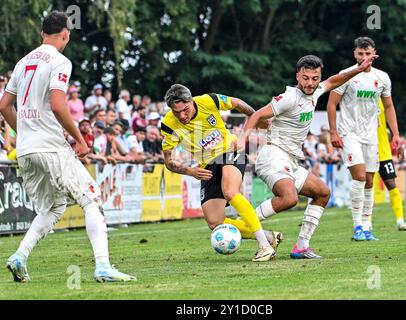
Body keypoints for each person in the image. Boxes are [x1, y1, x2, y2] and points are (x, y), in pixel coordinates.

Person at [0, 11, 135, 283]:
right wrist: (81, 139)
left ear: (42, 34)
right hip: (50, 146)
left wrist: (24, 131)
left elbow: (3, 106)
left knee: (52, 208)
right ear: (65, 34)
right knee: (92, 198)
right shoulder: (60, 61)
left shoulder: (23, 62)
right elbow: (59, 105)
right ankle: (103, 266)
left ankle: (20, 256)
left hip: (26, 150)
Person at [236, 53, 376, 259]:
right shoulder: (289, 97)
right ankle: (245, 225)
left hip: (291, 161)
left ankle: (301, 247)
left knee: (322, 193)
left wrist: (359, 68)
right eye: (305, 78)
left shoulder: (317, 90)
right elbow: (257, 114)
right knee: (289, 198)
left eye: (315, 78)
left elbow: (335, 80)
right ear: (297, 76)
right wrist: (242, 138)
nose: (310, 83)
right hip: (273, 156)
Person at [161, 84, 281, 262]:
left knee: (230, 191)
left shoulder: (209, 100)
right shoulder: (168, 125)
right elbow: (169, 162)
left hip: (230, 150)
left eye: (185, 110)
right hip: (207, 164)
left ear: (191, 101)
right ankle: (269, 237)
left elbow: (238, 103)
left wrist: (255, 117)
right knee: (215, 222)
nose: (182, 116)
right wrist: (190, 171)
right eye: (176, 112)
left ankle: (264, 246)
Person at [327, 36, 401, 241]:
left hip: (371, 136)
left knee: (369, 180)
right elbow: (332, 104)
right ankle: (357, 226)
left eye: (368, 53)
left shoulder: (382, 78)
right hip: (349, 133)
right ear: (355, 54)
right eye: (360, 53)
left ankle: (367, 226)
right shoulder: (346, 75)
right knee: (359, 176)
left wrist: (395, 134)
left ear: (374, 54)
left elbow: (388, 107)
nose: (364, 57)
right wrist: (333, 132)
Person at [377, 99, 406, 230]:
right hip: (364, 151)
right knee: (365, 186)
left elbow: (390, 114)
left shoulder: (382, 98)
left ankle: (400, 220)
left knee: (391, 184)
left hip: (383, 151)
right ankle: (365, 224)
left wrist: (397, 139)